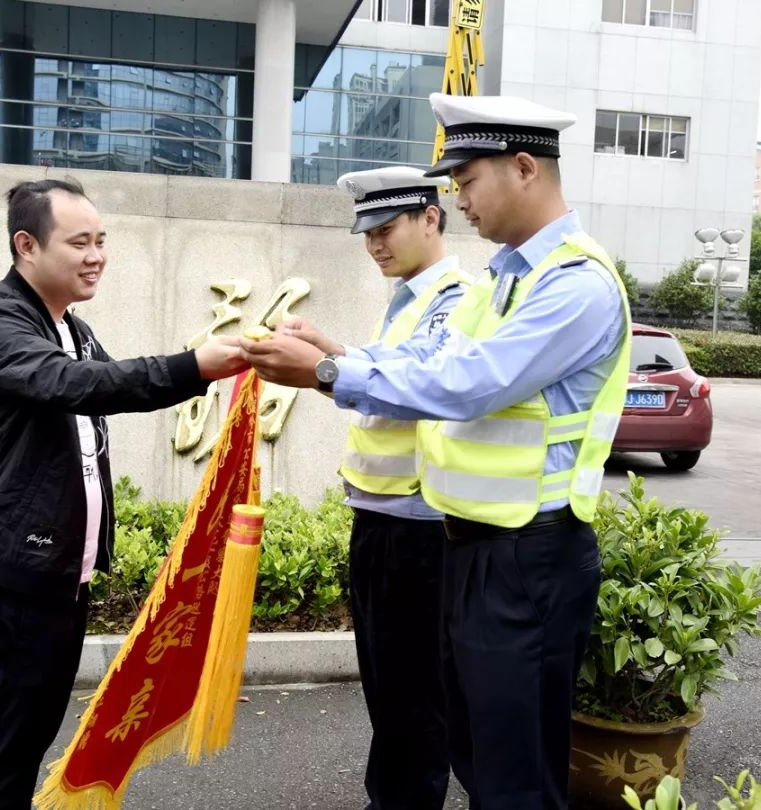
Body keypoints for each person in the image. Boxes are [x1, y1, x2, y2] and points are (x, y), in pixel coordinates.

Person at [241, 94, 632, 810]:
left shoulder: (575, 283)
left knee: (514, 777)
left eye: (466, 180)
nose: (458, 201)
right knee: (475, 753)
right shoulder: (504, 279)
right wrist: (337, 357)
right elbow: (432, 366)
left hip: (531, 553)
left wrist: (328, 372)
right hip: (475, 545)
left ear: (522, 168)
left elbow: (469, 380)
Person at [0, 178, 246, 809]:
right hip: (8, 572)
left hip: (55, 573)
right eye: (79, 242)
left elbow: (116, 383)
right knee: (5, 742)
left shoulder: (69, 327)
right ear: (26, 245)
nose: (96, 255)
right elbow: (76, 385)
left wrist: (244, 353)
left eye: (101, 241)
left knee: (26, 738)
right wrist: (196, 364)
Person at [297, 166, 469, 810]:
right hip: (380, 521)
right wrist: (332, 347)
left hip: (421, 530)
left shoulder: (455, 296)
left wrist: (325, 365)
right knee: (389, 688)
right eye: (366, 232)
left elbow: (420, 377)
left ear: (431, 218)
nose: (375, 245)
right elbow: (389, 363)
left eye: (387, 228)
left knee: (415, 695)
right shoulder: (409, 298)